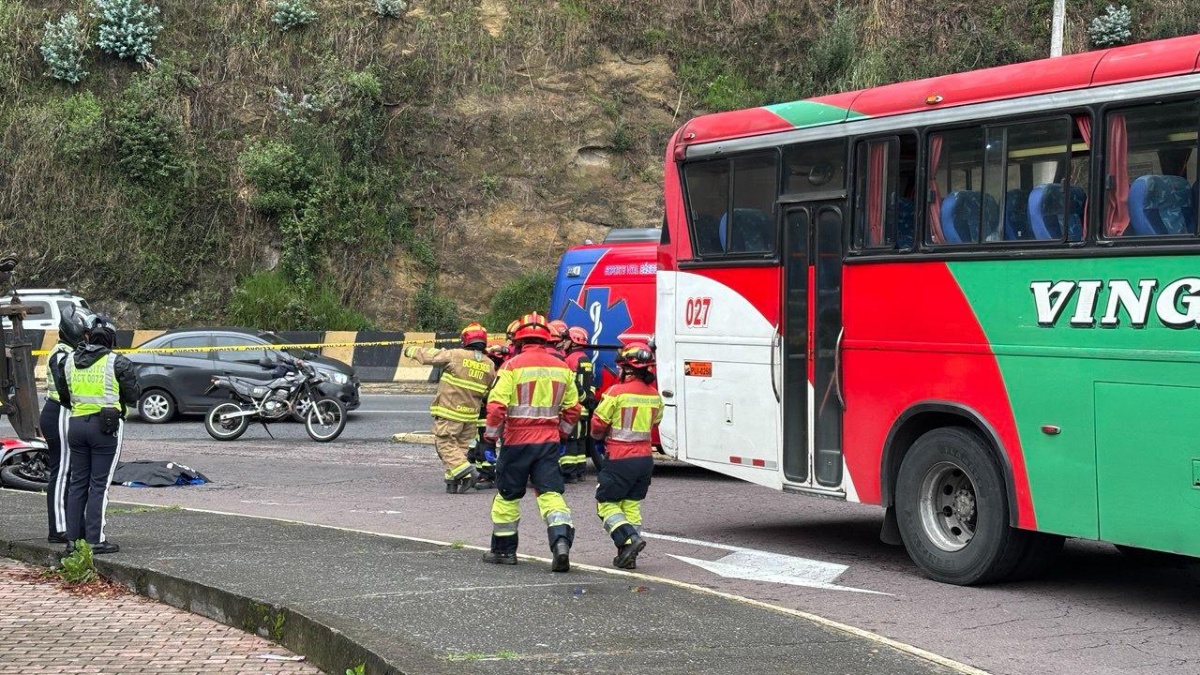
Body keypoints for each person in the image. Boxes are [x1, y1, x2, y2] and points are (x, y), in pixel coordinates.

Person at [482, 312, 580, 572]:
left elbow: (496, 407)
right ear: (547, 339)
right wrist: (562, 436)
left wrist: (490, 440)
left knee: (508, 496)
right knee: (550, 494)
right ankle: (560, 541)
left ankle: (504, 552)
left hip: (516, 442)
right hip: (548, 442)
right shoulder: (563, 367)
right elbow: (573, 409)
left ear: (519, 339)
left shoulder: (512, 366)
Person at [59, 315, 140, 554]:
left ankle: (73, 540)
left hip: (76, 425)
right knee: (99, 485)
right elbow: (133, 395)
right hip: (105, 427)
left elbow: (64, 397)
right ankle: (95, 539)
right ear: (111, 340)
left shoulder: (69, 360)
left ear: (88, 336)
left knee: (77, 483)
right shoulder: (117, 362)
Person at [591, 341, 662, 570]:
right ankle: (628, 556)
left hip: (620, 457)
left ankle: (629, 540)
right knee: (631, 506)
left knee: (606, 504)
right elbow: (656, 422)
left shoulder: (615, 392)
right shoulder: (654, 395)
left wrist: (597, 437)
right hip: (644, 459)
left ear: (627, 369)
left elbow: (598, 424)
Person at [404, 322, 497, 494]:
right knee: (460, 448)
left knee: (444, 444)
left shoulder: (456, 355)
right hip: (471, 417)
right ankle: (453, 482)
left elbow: (431, 356)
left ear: (465, 339)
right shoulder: (489, 364)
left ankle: (469, 473)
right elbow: (490, 391)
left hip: (450, 412)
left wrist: (410, 350)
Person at [40, 305, 92, 544]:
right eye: (83, 334)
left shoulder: (69, 351)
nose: (86, 338)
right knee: (61, 472)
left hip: (64, 412)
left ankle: (68, 524)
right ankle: (58, 528)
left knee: (69, 471)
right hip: (59, 411)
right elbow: (65, 389)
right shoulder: (62, 354)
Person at [469, 343, 510, 490]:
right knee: (507, 445)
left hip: (487, 413)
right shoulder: (507, 370)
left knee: (485, 444)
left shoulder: (488, 371)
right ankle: (502, 475)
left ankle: (487, 475)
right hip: (506, 414)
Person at [557, 326, 594, 483]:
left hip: (575, 406)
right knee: (580, 440)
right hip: (585, 408)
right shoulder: (586, 359)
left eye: (566, 340)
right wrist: (589, 399)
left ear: (573, 342)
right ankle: (580, 471)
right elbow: (590, 384)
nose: (563, 342)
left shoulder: (570, 360)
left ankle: (569, 472)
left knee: (571, 439)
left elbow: (572, 386)